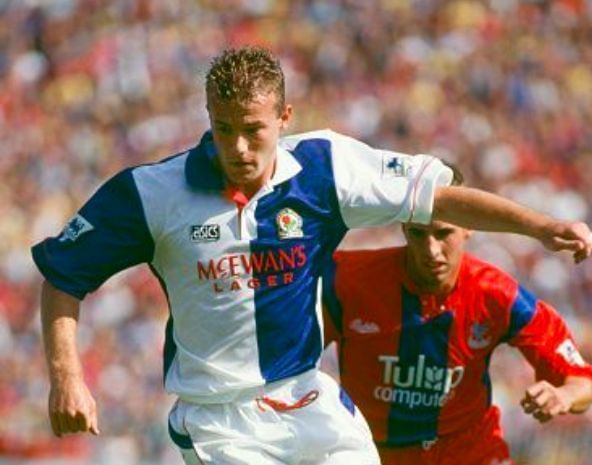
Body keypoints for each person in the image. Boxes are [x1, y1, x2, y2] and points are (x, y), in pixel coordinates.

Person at [31, 46, 592, 465]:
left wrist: (541, 227)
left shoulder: (325, 168)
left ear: (284, 118)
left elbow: (438, 198)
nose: (239, 148)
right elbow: (64, 274)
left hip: (306, 397)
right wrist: (67, 377)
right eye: (223, 130)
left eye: (253, 130)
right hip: (219, 417)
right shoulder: (151, 193)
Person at [321, 165, 592, 465]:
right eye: (418, 233)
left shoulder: (498, 294)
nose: (431, 250)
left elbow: (581, 380)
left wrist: (563, 397)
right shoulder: (346, 280)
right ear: (402, 227)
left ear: (469, 226)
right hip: (376, 453)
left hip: (472, 452)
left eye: (443, 233)